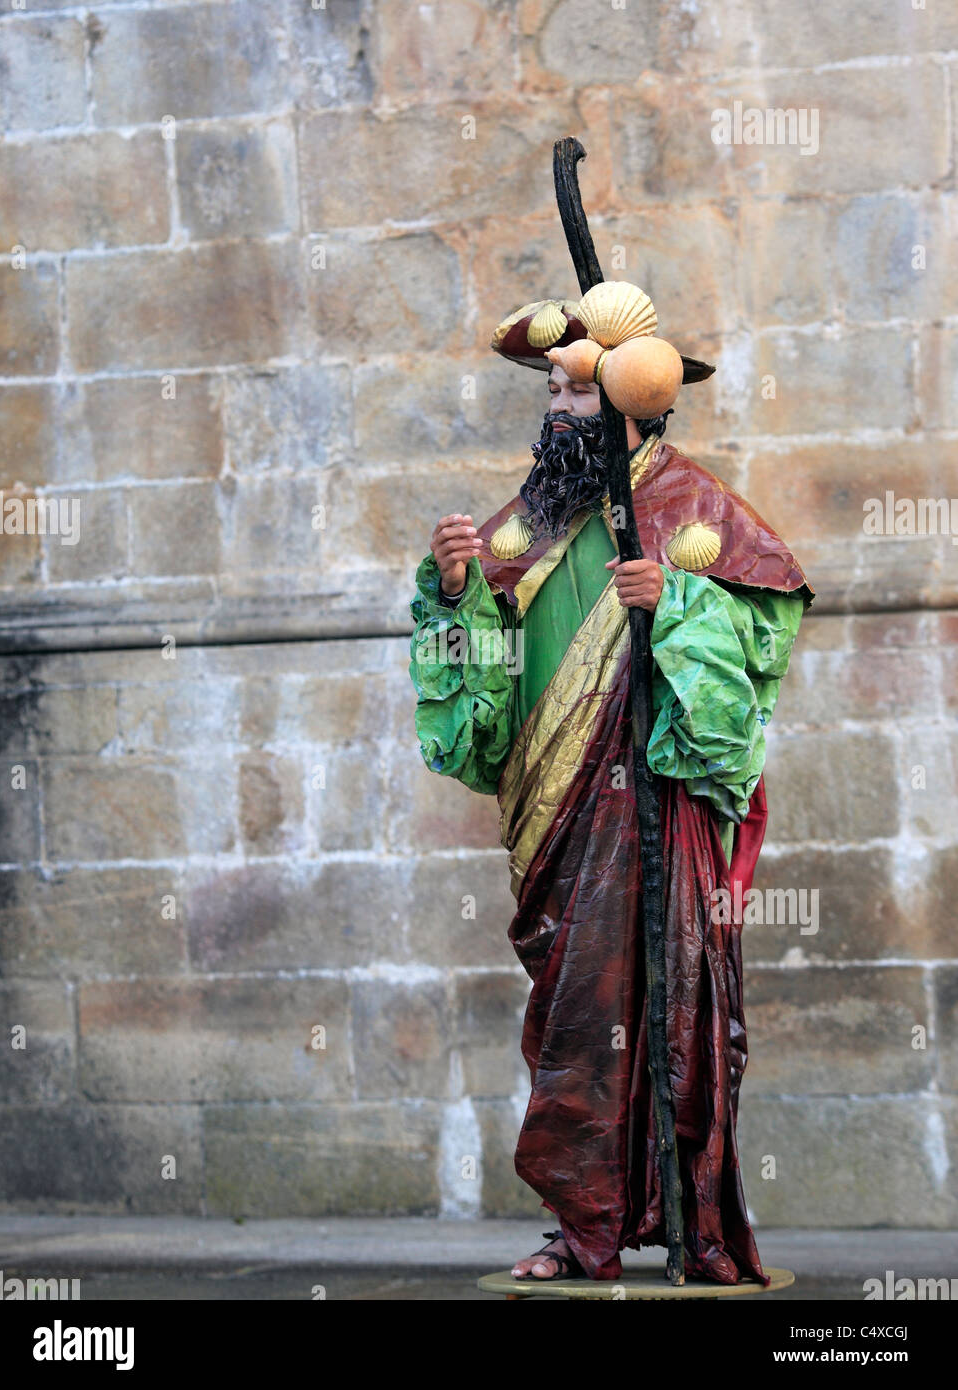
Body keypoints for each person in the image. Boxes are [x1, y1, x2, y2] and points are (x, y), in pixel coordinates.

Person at [408, 292, 813, 1284]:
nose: (558, 407)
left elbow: (763, 644)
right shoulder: (525, 525)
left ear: (636, 401)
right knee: (576, 1023)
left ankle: (691, 1225)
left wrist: (678, 602)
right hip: (558, 821)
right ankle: (582, 1228)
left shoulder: (695, 512)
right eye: (551, 387)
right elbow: (476, 688)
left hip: (656, 806)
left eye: (578, 390)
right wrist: (459, 594)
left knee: (675, 1015)